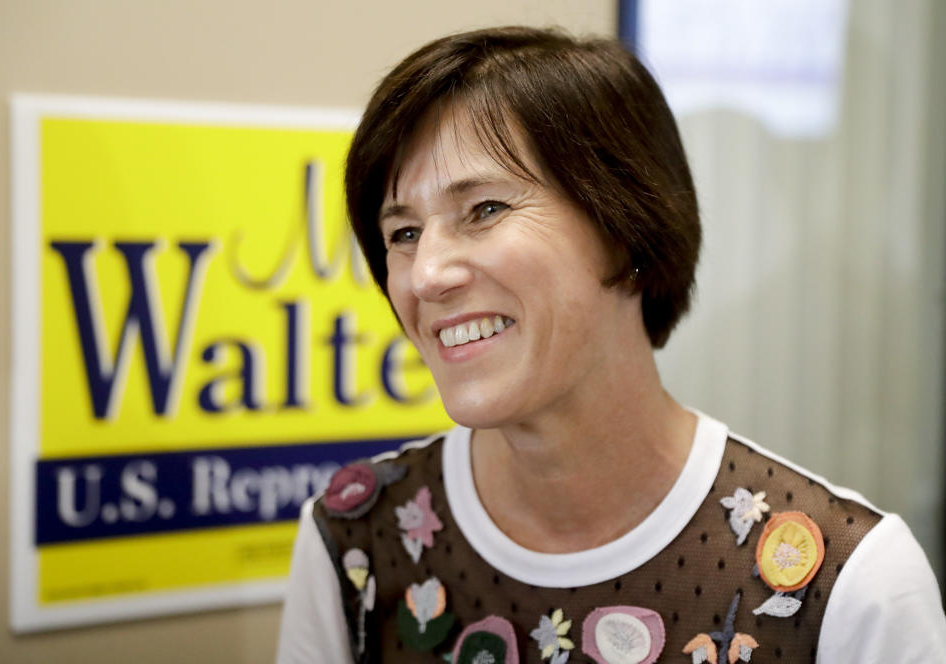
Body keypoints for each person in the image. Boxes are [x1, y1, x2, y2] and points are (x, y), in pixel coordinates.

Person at [277, 27, 946, 663]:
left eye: (484, 209)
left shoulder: (845, 581)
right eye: (403, 233)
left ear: (625, 226)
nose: (426, 276)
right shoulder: (355, 543)